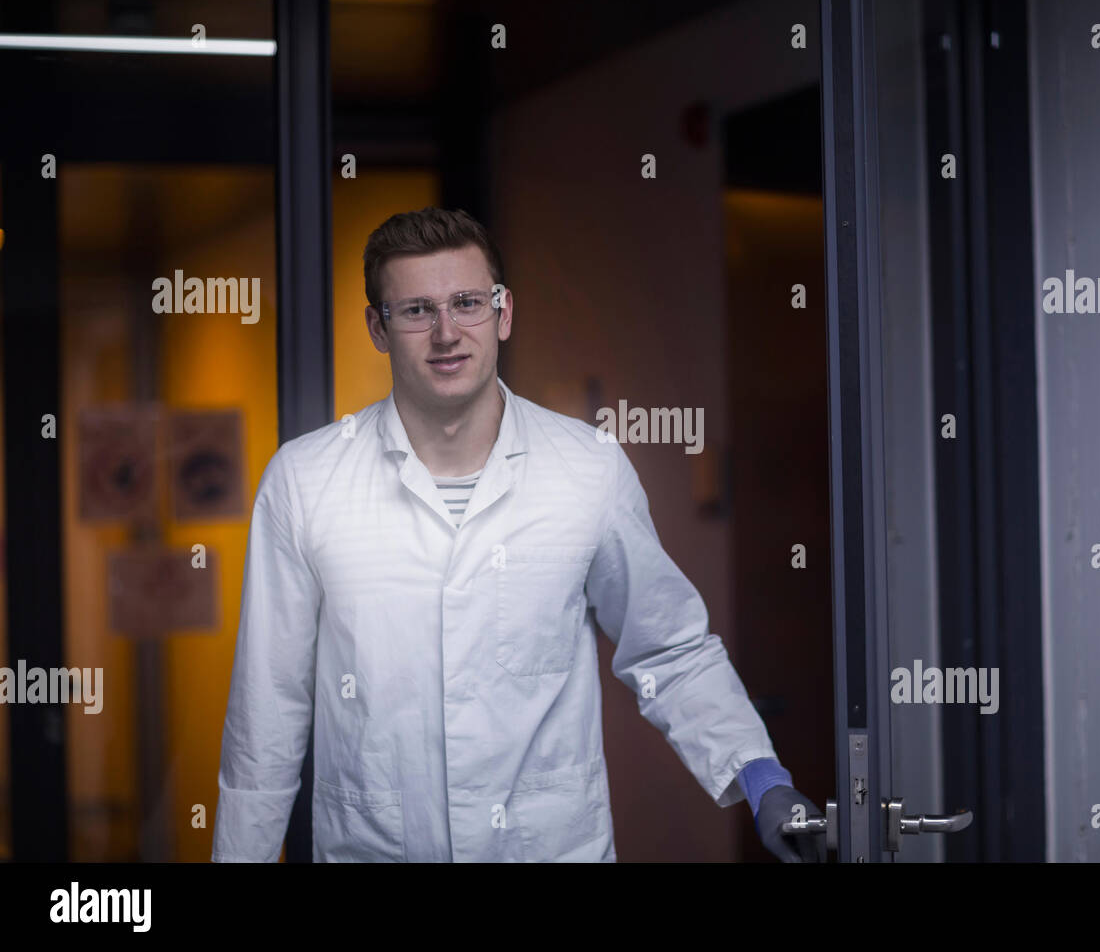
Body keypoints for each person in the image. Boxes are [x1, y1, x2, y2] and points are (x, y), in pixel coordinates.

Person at [211, 206, 825, 862]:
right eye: (416, 310)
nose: (447, 332)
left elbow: (667, 650)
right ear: (378, 328)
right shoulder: (306, 482)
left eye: (467, 303)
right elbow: (268, 710)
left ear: (503, 313)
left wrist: (764, 782)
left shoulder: (586, 467)